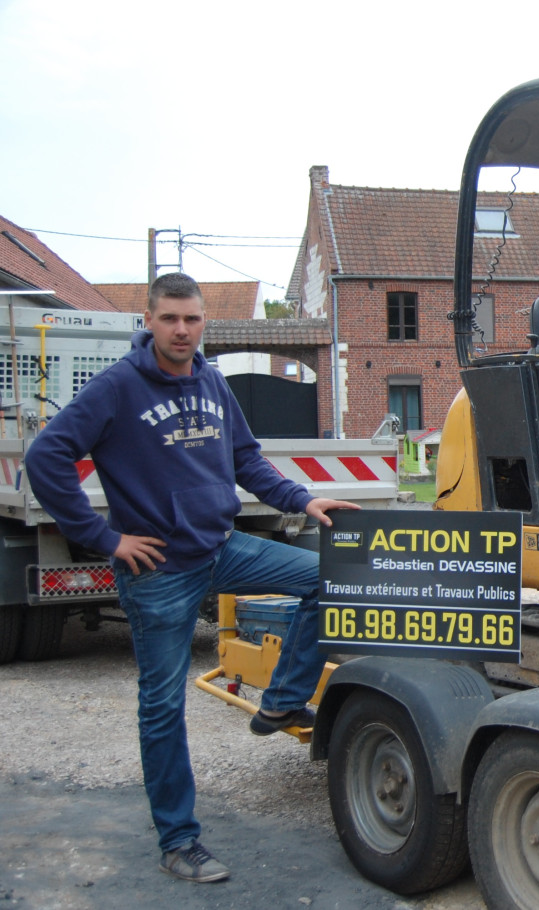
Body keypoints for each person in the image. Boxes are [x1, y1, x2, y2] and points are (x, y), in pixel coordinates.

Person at [25, 272, 359, 884]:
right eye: (170, 318)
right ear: (149, 320)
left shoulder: (210, 379)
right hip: (157, 572)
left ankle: (281, 704)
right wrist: (104, 538)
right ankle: (179, 841)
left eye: (193, 319)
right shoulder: (118, 387)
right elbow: (45, 457)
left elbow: (245, 459)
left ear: (205, 322)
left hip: (223, 546)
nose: (182, 330)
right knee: (161, 706)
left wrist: (303, 499)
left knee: (328, 578)